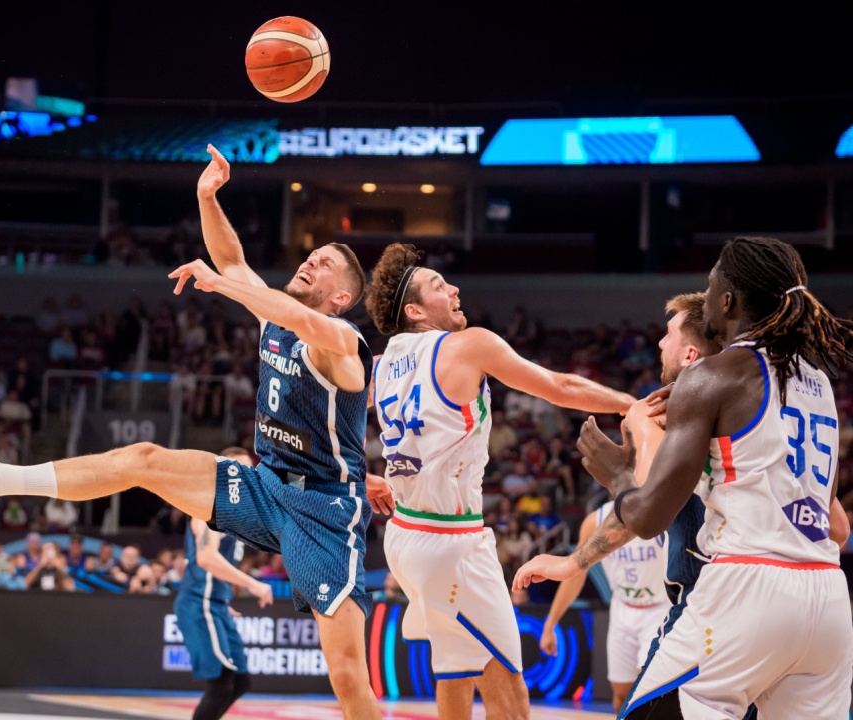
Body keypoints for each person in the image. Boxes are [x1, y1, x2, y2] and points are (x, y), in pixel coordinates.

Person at [0, 144, 390, 718]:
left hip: (325, 514)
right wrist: (207, 197)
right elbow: (231, 261)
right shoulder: (275, 315)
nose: (312, 260)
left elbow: (291, 314)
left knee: (349, 678)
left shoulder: (344, 343)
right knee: (143, 458)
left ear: (342, 297)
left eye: (326, 263)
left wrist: (224, 285)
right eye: (314, 253)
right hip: (266, 485)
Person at [574, 237, 853, 718]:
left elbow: (648, 516)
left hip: (749, 586)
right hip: (828, 595)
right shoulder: (819, 381)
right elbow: (833, 520)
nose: (704, 299)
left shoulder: (713, 376)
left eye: (709, 288)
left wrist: (618, 475)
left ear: (727, 301)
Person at [364, 242, 635, 720]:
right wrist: (627, 404)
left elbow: (325, 420)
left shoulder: (382, 365)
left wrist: (356, 473)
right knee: (511, 697)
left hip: (404, 537)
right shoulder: (469, 345)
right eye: (437, 286)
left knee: (455, 668)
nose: (453, 288)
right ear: (415, 310)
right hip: (450, 542)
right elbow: (560, 386)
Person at [525, 293, 716, 712]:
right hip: (816, 591)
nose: (660, 344)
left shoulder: (667, 416)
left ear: (689, 352)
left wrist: (619, 475)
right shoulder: (769, 400)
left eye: (668, 336)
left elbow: (643, 515)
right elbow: (839, 528)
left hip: (718, 599)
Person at [175, 446, 274, 720]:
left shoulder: (235, 511)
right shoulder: (208, 503)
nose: (242, 474)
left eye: (247, 469)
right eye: (235, 468)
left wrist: (223, 596)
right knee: (221, 685)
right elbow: (206, 558)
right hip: (199, 602)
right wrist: (253, 585)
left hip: (215, 603)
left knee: (241, 682)